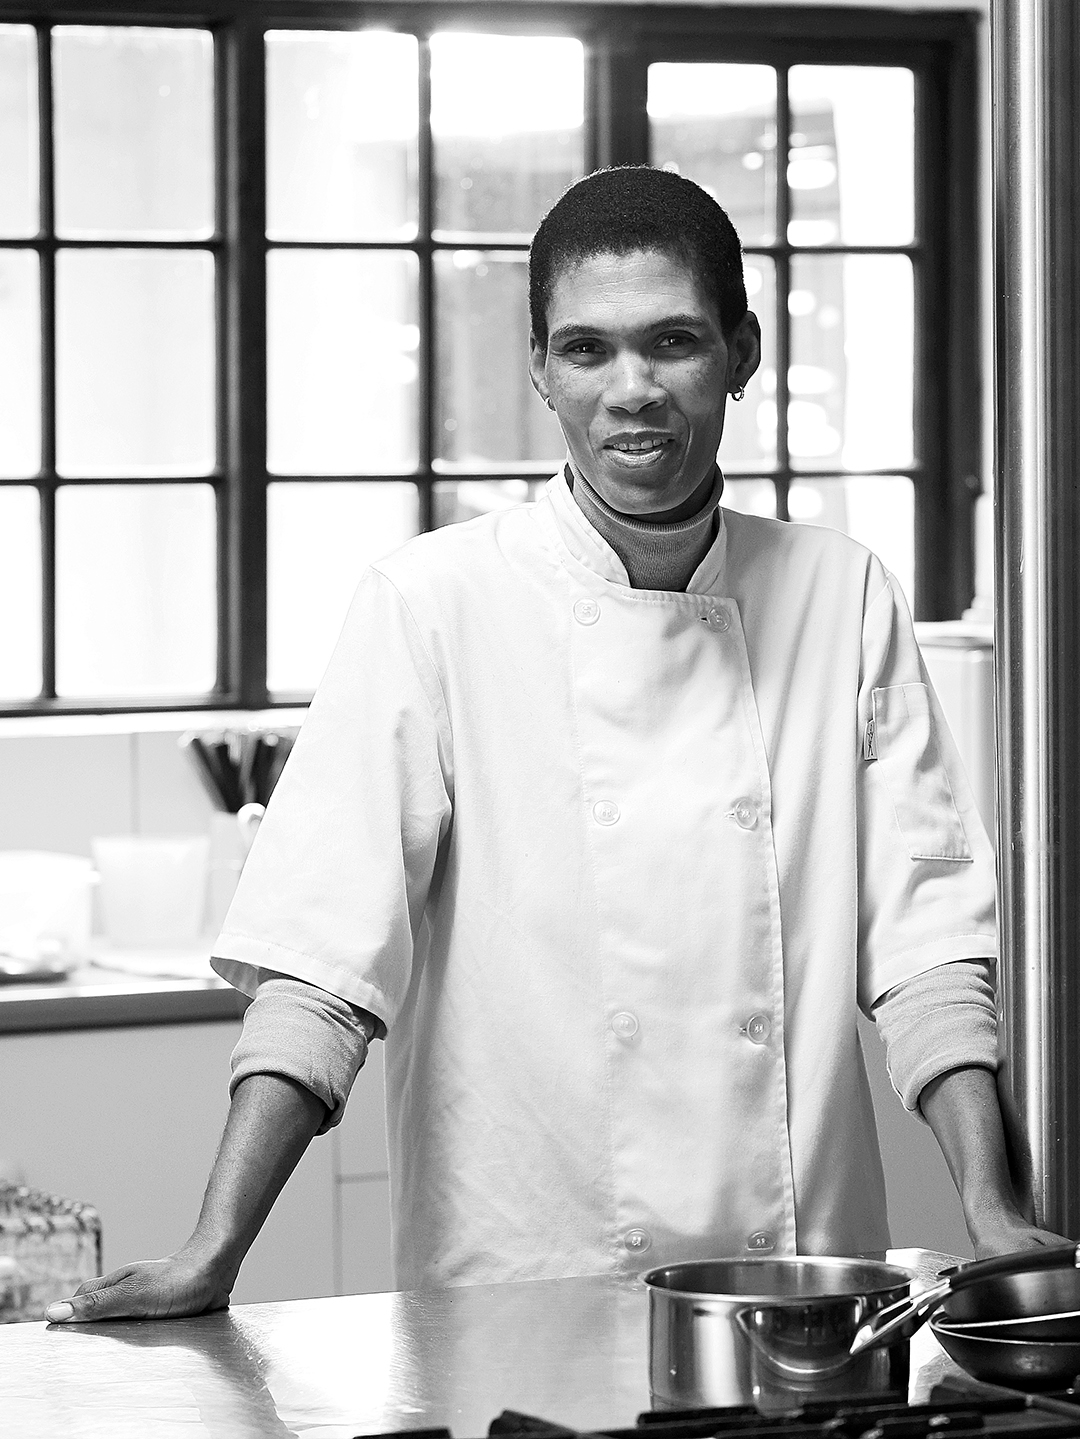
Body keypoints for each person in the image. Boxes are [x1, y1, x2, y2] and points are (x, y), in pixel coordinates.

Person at [46, 166, 1062, 1325]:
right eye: (587, 350)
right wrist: (211, 1246)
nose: (632, 390)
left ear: (743, 350)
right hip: (524, 1287)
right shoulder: (432, 605)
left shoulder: (843, 594)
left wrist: (993, 1206)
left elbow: (929, 945)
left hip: (806, 1293)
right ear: (539, 369)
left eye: (673, 342)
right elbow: (321, 971)